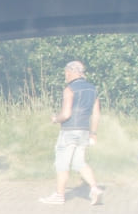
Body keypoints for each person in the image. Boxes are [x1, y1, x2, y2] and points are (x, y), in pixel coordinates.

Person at [42, 61, 104, 206]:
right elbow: (96, 114)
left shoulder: (69, 89)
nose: (65, 76)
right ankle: (95, 188)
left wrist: (55, 119)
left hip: (69, 130)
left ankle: (59, 195)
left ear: (70, 72)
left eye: (66, 73)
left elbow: (66, 114)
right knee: (79, 162)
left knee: (62, 163)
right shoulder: (92, 89)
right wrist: (93, 133)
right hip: (84, 131)